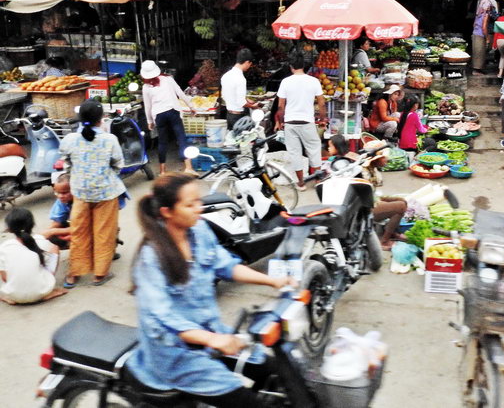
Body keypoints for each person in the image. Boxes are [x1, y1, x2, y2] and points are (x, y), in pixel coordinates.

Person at [126, 173, 291, 406]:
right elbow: (161, 318)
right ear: (167, 212)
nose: (198, 208)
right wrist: (212, 339)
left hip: (211, 332)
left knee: (272, 370)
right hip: (176, 354)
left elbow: (226, 266)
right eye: (189, 204)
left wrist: (274, 281)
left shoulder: (200, 231)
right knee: (245, 401)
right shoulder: (151, 257)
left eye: (198, 201)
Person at [59, 99, 126, 288]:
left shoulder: (70, 140)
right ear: (101, 119)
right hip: (106, 192)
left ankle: (74, 275)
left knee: (79, 232)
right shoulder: (109, 139)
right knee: (104, 233)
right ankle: (99, 274)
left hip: (80, 192)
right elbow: (118, 164)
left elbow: (66, 162)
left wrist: (79, 175)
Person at [326, 138, 406, 250]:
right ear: (376, 158)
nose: (386, 160)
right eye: (384, 157)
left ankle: (391, 232)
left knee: (403, 201)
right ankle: (383, 241)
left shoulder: (366, 165)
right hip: (364, 207)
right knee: (401, 207)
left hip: (369, 199)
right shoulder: (361, 169)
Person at [275, 54, 326, 191]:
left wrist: (280, 121)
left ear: (291, 67)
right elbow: (321, 102)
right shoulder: (313, 81)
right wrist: (322, 118)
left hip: (291, 122)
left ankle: (301, 183)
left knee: (294, 153)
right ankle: (317, 180)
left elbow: (281, 105)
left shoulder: (285, 82)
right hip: (307, 122)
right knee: (314, 150)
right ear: (304, 66)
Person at [141, 60, 196, 175]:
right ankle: (188, 167)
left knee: (162, 142)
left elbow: (148, 106)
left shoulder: (146, 87)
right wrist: (191, 106)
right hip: (173, 111)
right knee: (181, 138)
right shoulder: (168, 79)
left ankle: (162, 170)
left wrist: (149, 121)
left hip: (159, 115)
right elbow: (181, 94)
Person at [0, 208, 66, 305]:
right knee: (54, 248)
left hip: (14, 295)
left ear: (9, 229)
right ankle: (43, 292)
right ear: (32, 225)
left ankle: (16, 297)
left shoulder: (4, 247)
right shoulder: (41, 241)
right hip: (41, 292)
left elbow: (5, 278)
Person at [221, 49, 259, 130]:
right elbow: (241, 102)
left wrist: (246, 99)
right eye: (250, 64)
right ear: (247, 62)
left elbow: (224, 96)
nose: (249, 67)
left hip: (229, 115)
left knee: (231, 139)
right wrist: (253, 106)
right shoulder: (240, 79)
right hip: (239, 117)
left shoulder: (225, 76)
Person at [471, 0, 498, 74]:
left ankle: (478, 69)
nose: (490, 8)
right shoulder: (486, 14)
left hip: (476, 33)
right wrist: (487, 38)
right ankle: (476, 70)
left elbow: (474, 24)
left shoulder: (479, 13)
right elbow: (484, 27)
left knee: (477, 52)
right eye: (489, 6)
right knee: (480, 53)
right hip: (480, 34)